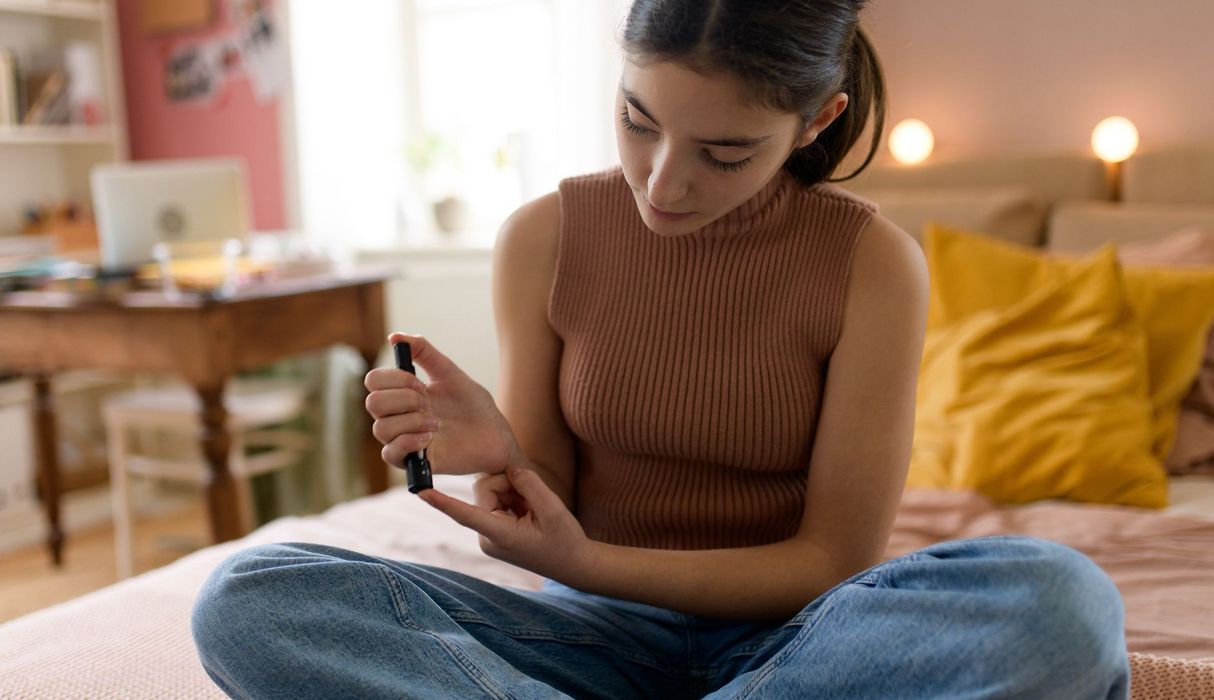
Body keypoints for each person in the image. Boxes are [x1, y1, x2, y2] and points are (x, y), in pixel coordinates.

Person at [192, 1, 1131, 697]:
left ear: (816, 122)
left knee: (1060, 603)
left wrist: (591, 564)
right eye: (639, 121)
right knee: (253, 594)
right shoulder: (544, 236)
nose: (662, 183)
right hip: (584, 641)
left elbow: (831, 560)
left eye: (724, 153)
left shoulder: (875, 266)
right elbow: (546, 520)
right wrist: (503, 456)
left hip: (795, 647)